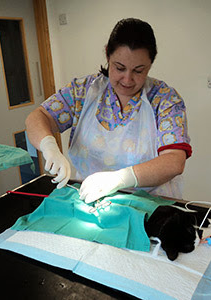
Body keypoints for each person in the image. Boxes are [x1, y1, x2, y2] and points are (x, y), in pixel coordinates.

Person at [26, 18, 191, 204]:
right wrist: (49, 146)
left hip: (150, 206)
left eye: (138, 71)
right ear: (107, 55)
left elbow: (174, 161)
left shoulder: (165, 100)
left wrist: (120, 179)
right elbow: (38, 117)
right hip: (90, 200)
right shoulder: (82, 92)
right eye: (119, 68)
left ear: (150, 64)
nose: (127, 79)